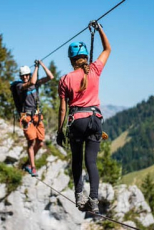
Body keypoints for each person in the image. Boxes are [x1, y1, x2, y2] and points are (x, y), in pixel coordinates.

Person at [57, 21, 111, 212]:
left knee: (77, 162)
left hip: (77, 122)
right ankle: (94, 201)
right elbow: (107, 48)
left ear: (71, 60)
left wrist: (59, 131)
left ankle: (80, 198)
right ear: (86, 57)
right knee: (92, 163)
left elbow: (63, 110)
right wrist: (100, 29)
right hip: (95, 120)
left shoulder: (65, 79)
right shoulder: (95, 70)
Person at [11, 60, 54, 177]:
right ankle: (32, 167)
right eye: (23, 75)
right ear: (21, 76)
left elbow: (51, 76)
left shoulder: (35, 84)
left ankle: (29, 163)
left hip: (37, 116)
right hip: (27, 118)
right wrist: (36, 68)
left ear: (28, 75)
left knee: (40, 143)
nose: (25, 77)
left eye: (26, 75)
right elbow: (32, 81)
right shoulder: (20, 86)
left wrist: (42, 64)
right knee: (31, 143)